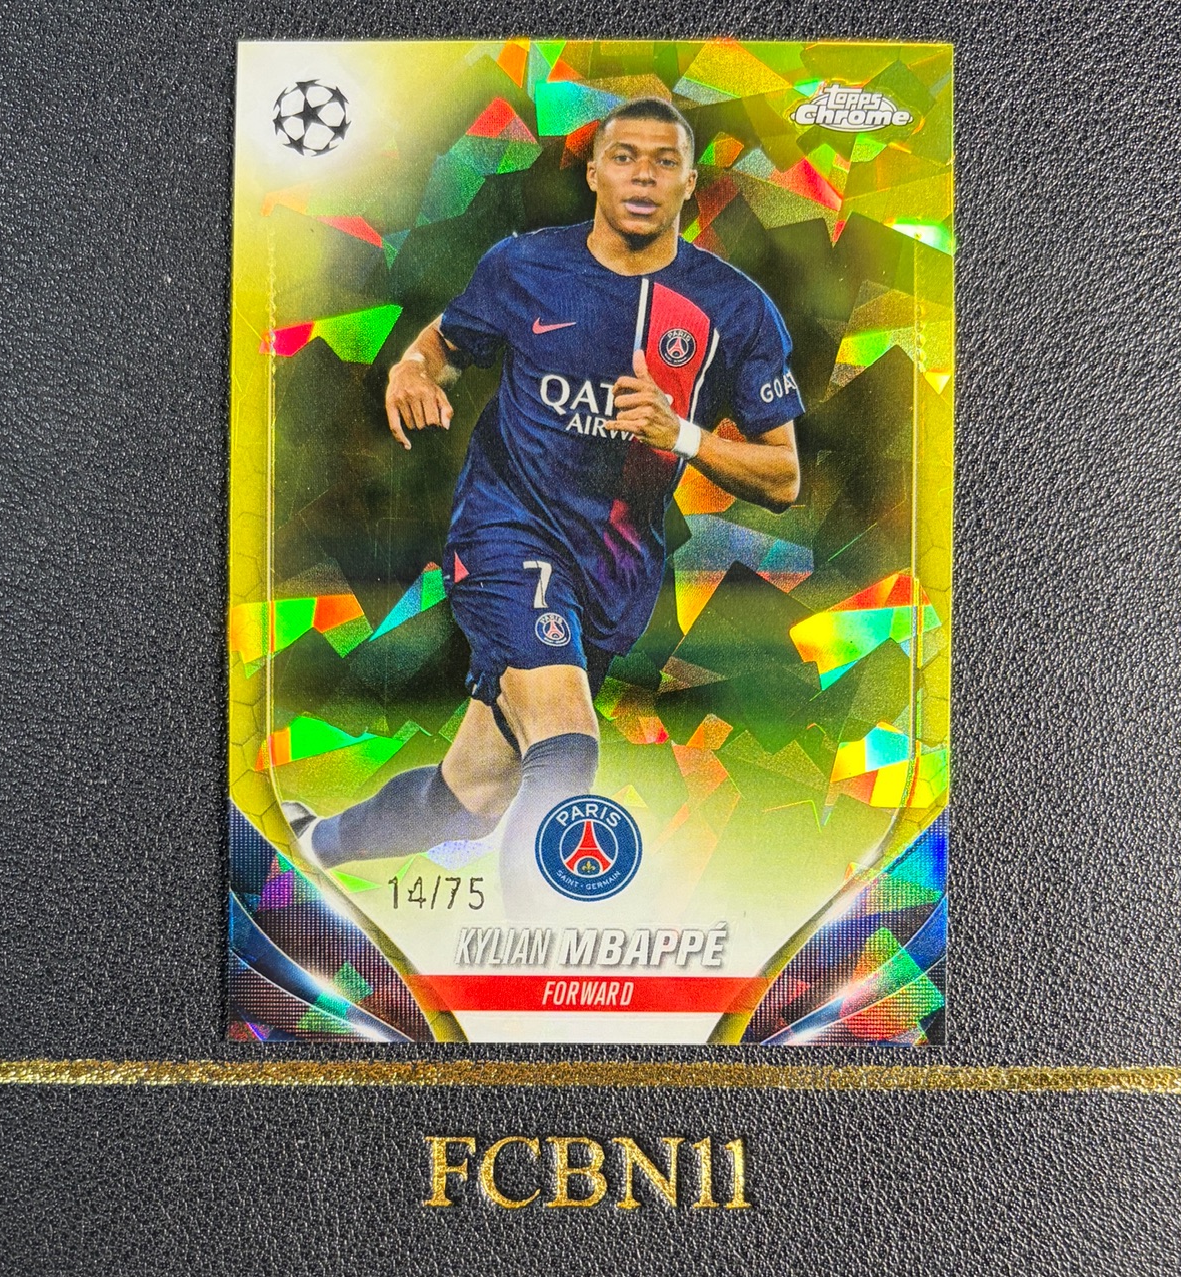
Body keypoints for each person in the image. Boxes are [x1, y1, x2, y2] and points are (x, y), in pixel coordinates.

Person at [284, 97, 804, 909]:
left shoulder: (734, 309)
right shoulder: (524, 266)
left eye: (664, 161)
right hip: (506, 531)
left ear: (689, 183)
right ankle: (539, 951)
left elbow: (783, 477)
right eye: (624, 157)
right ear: (593, 173)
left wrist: (684, 435)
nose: (643, 176)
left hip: (614, 571)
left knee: (473, 794)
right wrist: (412, 370)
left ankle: (312, 842)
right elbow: (446, 342)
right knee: (566, 746)